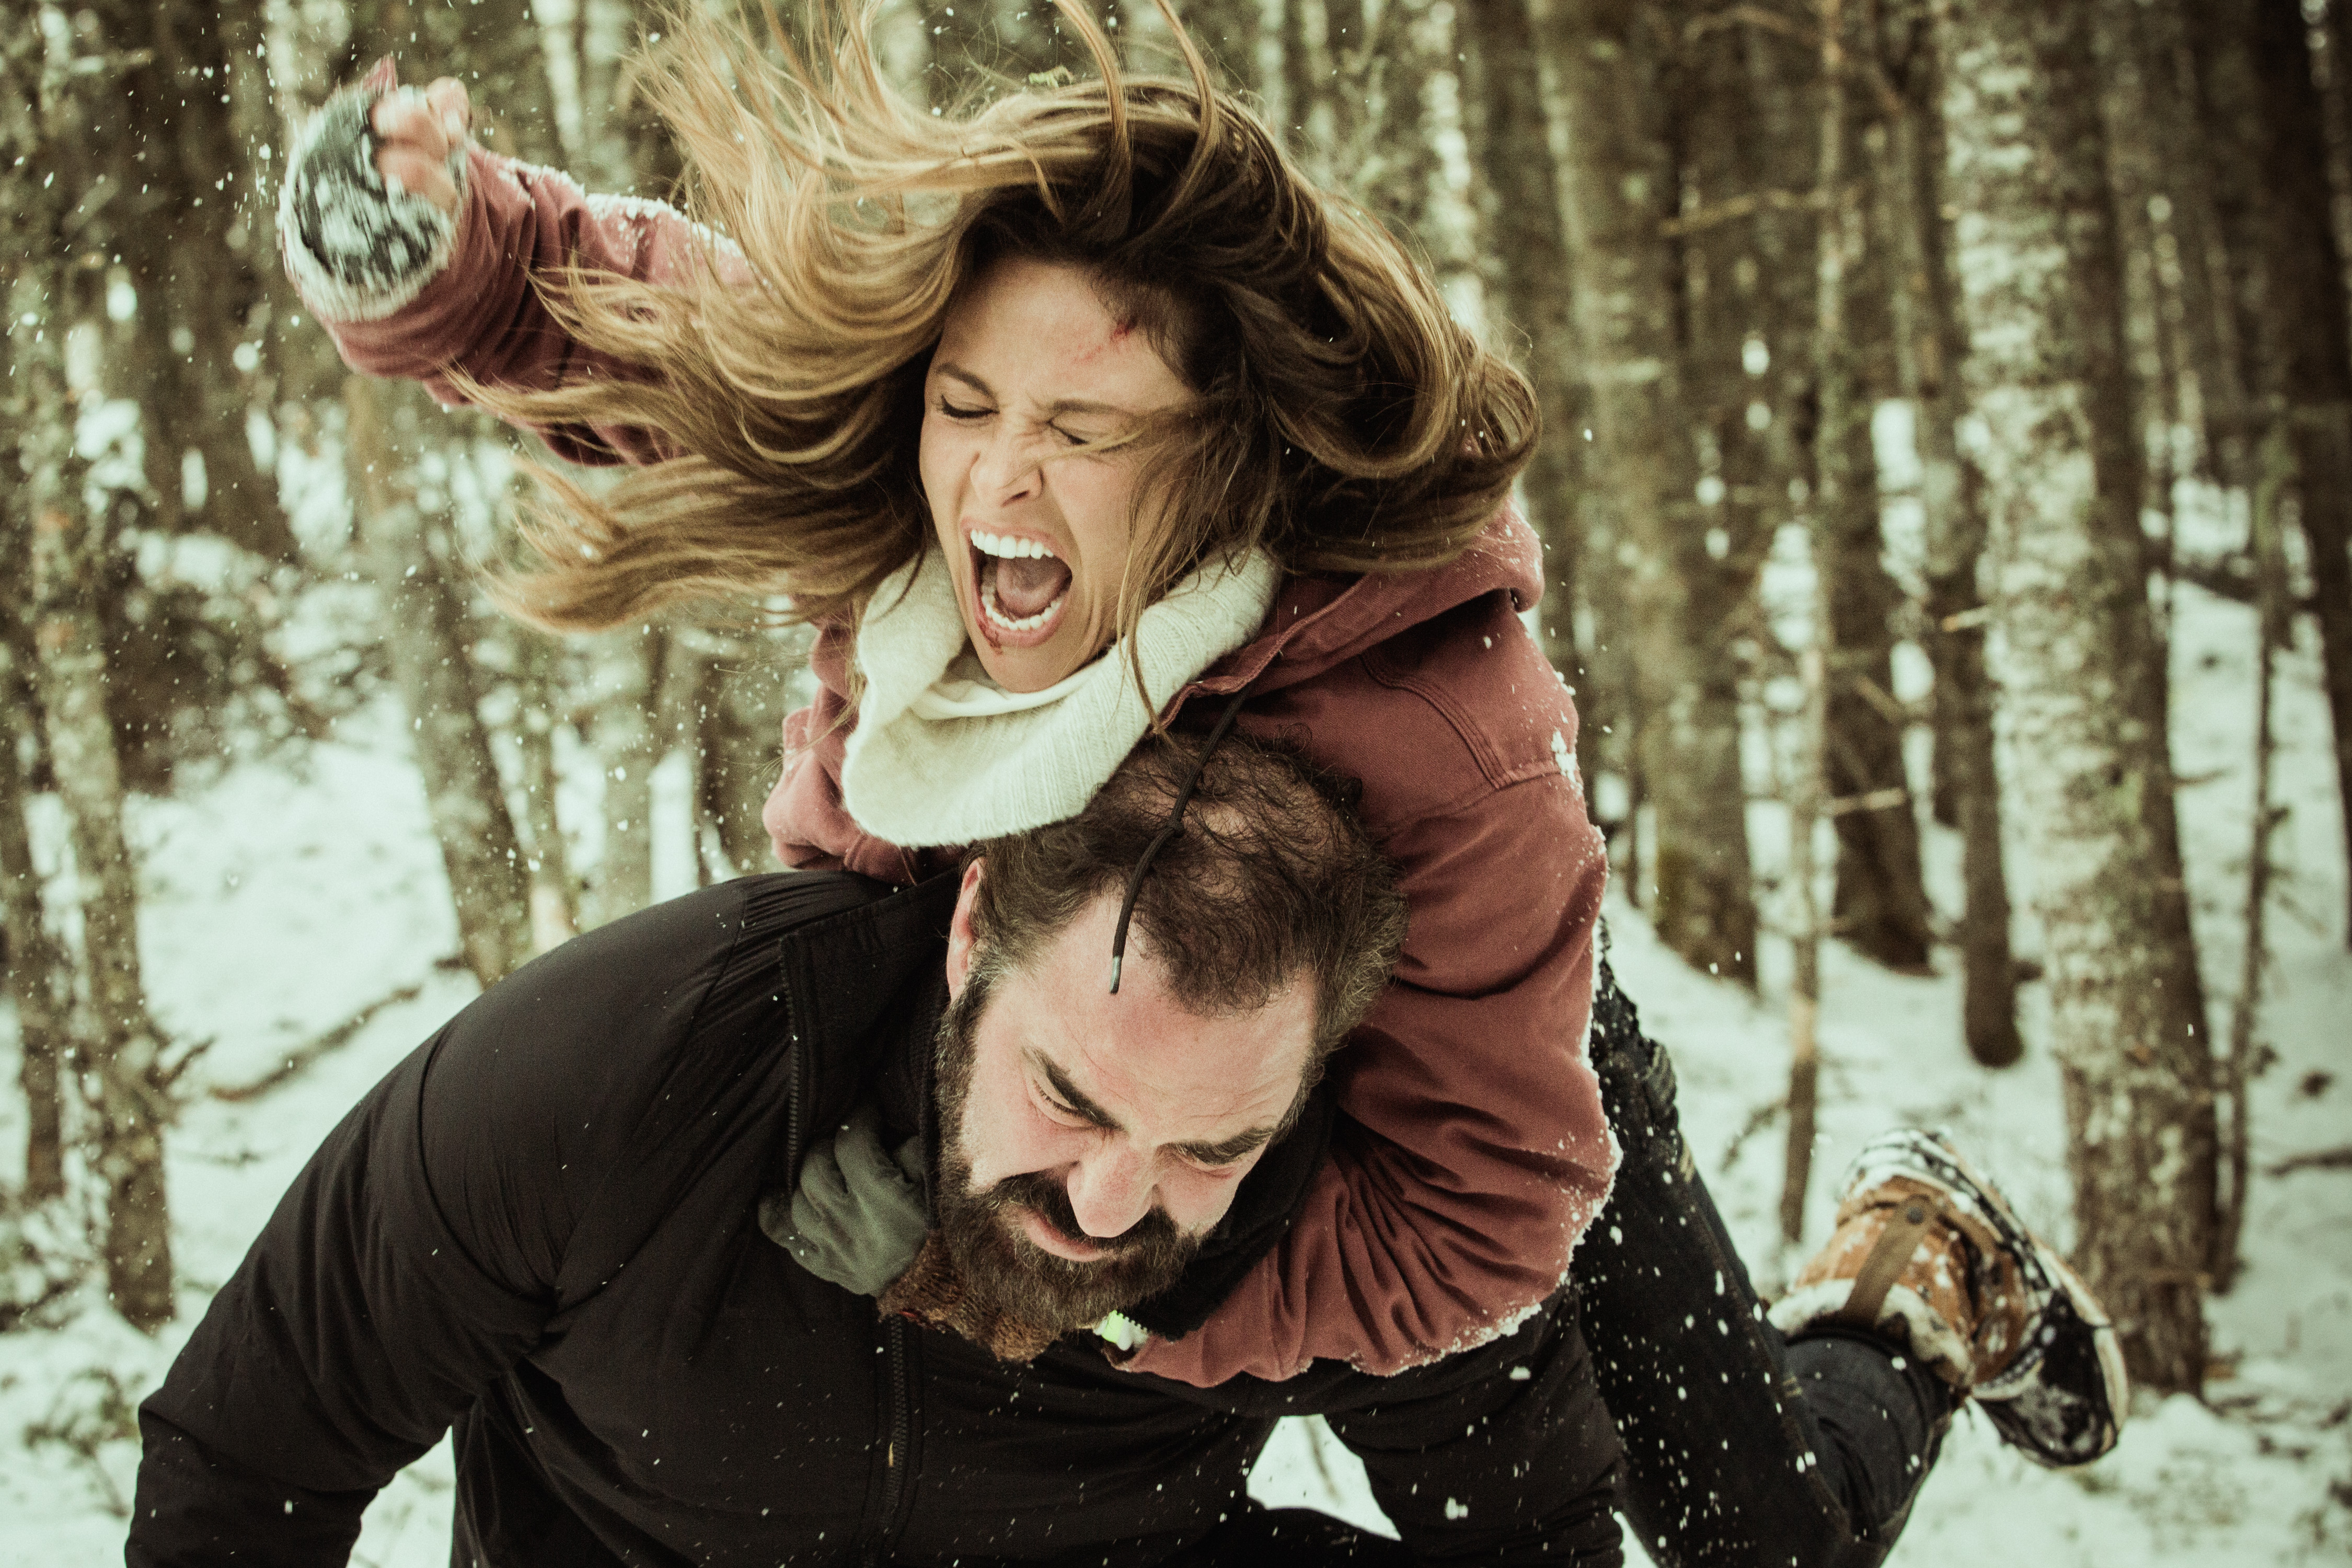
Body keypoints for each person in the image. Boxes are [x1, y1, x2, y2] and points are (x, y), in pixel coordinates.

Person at [269, 4, 2127, 1562]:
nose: (999, 484)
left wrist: (1106, 1281)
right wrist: (452, 255)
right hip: (1052, 1087)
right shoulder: (940, 519)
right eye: (974, 410)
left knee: (1753, 1535)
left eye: (1080, 435)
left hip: (1435, 1078)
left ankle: (1914, 1288)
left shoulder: (1443, 729)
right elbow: (701, 332)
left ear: (1214, 462)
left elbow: (1469, 1233)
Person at [129, 735, 1627, 1565]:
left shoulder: (1351, 1201)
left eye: (1205, 1146)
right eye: (1072, 1098)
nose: (1114, 1203)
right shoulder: (630, 1067)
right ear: (975, 931)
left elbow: (1535, 1527)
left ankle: (1868, 1342)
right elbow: (252, 1458)